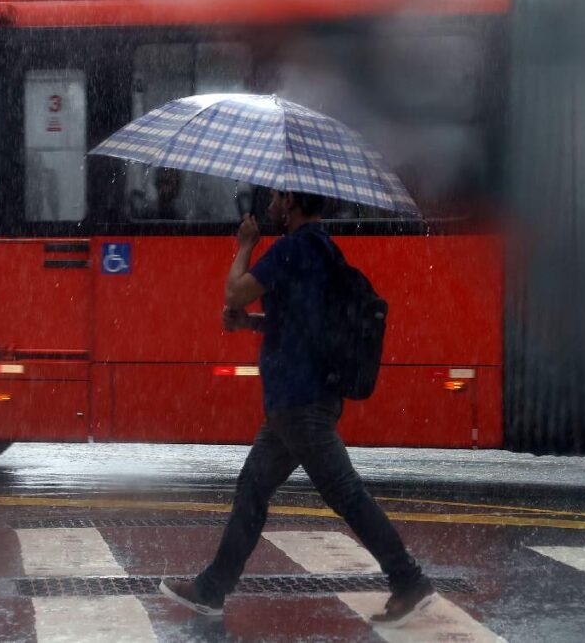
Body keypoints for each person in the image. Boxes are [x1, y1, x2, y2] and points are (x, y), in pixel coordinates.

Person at [160, 189, 436, 628]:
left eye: (274, 196)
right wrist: (251, 323)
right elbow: (302, 324)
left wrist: (245, 246)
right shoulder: (322, 247)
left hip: (298, 401)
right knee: (252, 489)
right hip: (300, 399)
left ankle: (408, 580)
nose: (268, 202)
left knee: (346, 494)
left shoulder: (292, 248)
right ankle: (212, 590)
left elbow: (235, 290)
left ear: (290, 202)